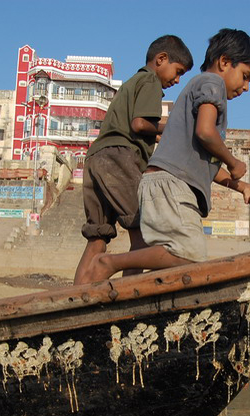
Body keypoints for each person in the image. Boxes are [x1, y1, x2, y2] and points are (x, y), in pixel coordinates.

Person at [79, 28, 250, 282]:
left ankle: (83, 299)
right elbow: (205, 132)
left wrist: (242, 185)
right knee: (187, 255)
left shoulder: (198, 94)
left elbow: (204, 165)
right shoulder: (212, 84)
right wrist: (234, 161)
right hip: (171, 186)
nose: (245, 87)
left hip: (162, 181)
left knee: (179, 257)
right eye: (245, 77)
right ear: (224, 62)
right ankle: (109, 264)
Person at [73, 35, 194, 285]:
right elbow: (140, 124)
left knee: (97, 238)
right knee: (142, 233)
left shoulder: (131, 83)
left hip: (97, 158)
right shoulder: (150, 80)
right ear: (161, 59)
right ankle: (129, 297)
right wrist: (175, 126)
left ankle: (74, 300)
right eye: (178, 71)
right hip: (119, 158)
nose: (177, 79)